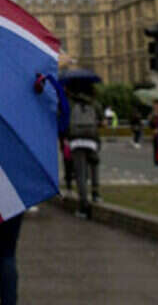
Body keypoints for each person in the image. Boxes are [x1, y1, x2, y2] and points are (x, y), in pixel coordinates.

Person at [66, 85, 101, 218]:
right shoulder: (94, 104)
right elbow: (100, 120)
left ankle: (83, 205)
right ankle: (96, 193)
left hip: (77, 140)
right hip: (91, 139)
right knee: (94, 166)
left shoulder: (71, 103)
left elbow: (65, 121)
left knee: (80, 174)